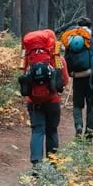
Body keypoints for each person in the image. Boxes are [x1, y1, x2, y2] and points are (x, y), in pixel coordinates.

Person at [19, 28, 68, 168]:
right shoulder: (57, 58)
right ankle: (52, 164)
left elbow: (24, 76)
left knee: (37, 130)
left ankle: (36, 163)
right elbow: (64, 80)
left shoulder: (28, 58)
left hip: (33, 102)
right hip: (53, 101)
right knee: (52, 130)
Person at [58, 17, 93, 141]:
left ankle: (78, 126)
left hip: (77, 76)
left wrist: (69, 72)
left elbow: (66, 57)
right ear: (90, 26)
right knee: (91, 106)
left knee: (77, 105)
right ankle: (89, 134)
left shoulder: (70, 38)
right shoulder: (90, 38)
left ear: (78, 26)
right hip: (90, 76)